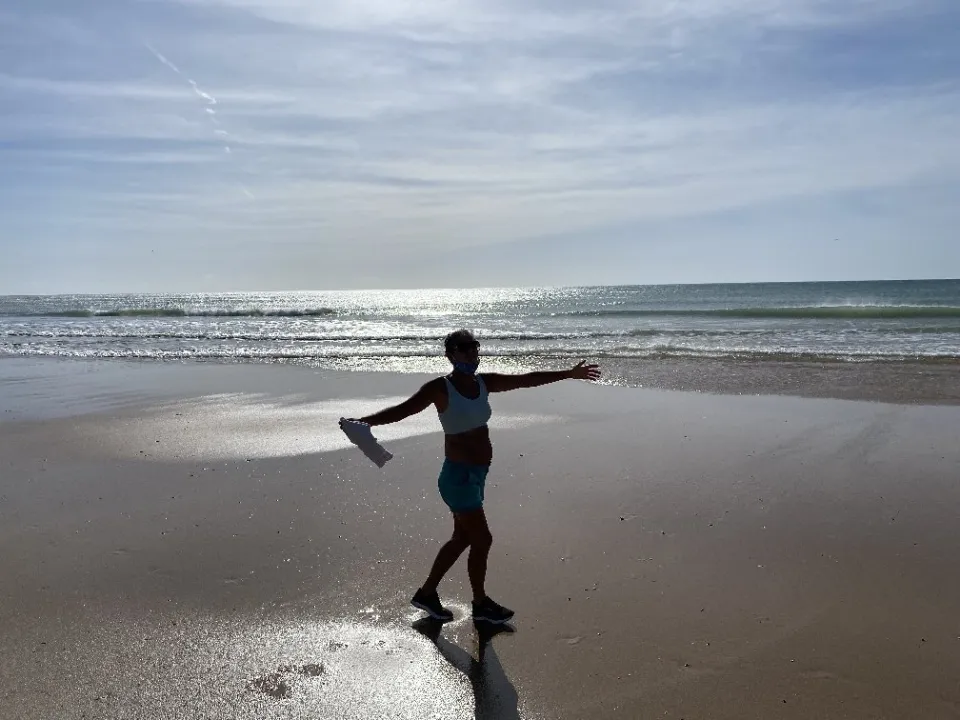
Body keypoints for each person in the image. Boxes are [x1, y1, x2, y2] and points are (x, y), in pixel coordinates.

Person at [347, 329, 601, 624]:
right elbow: (402, 411)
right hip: (458, 478)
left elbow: (526, 379)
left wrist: (568, 374)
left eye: (474, 347)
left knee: (462, 538)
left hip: (476, 476)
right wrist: (364, 422)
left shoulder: (484, 383)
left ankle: (427, 594)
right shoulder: (440, 388)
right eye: (463, 347)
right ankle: (480, 604)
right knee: (482, 539)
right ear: (450, 354)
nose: (470, 352)